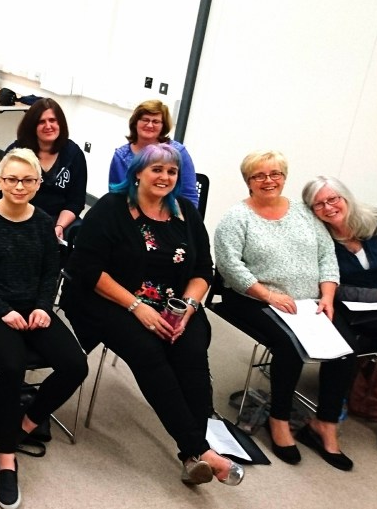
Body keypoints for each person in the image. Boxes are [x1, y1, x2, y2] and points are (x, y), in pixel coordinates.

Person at [64, 143, 244, 486]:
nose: (165, 177)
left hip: (176, 305)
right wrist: (137, 307)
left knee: (192, 353)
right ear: (137, 174)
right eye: (156, 169)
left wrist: (188, 307)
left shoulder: (186, 213)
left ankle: (194, 456)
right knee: (149, 352)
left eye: (172, 171)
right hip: (112, 300)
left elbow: (203, 270)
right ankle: (199, 450)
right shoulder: (112, 208)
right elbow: (88, 269)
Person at [0, 148, 87, 509]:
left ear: (38, 184)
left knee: (75, 365)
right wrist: (4, 311)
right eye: (12, 179)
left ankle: (25, 425)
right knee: (13, 366)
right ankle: (6, 456)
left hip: (34, 309)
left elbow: (50, 272)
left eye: (28, 180)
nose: (19, 186)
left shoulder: (44, 223)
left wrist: (44, 307)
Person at [214, 150, 356, 471]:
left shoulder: (304, 212)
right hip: (254, 299)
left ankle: (325, 425)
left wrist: (327, 296)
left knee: (346, 350)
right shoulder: (236, 218)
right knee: (290, 346)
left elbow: (326, 256)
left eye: (275, 174)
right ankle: (278, 420)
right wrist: (269, 295)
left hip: (310, 302)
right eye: (259, 175)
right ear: (248, 181)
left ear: (284, 177)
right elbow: (229, 266)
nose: (269, 180)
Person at [302, 176, 377, 456]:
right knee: (345, 340)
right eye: (319, 204)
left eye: (333, 199)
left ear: (346, 198)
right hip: (347, 305)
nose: (328, 207)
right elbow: (331, 287)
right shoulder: (318, 239)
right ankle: (331, 409)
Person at [0, 98, 86, 242]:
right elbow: (3, 197)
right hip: (22, 215)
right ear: (32, 126)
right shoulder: (16, 153)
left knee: (81, 235)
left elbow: (76, 201)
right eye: (42, 122)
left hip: (60, 218)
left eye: (53, 120)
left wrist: (59, 226)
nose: (48, 126)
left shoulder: (74, 154)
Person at [108, 100, 199, 208]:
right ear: (135, 123)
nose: (150, 125)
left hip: (171, 212)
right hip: (130, 212)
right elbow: (115, 196)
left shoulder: (178, 152)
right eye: (145, 120)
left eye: (156, 121)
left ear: (163, 126)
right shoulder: (121, 156)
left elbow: (189, 196)